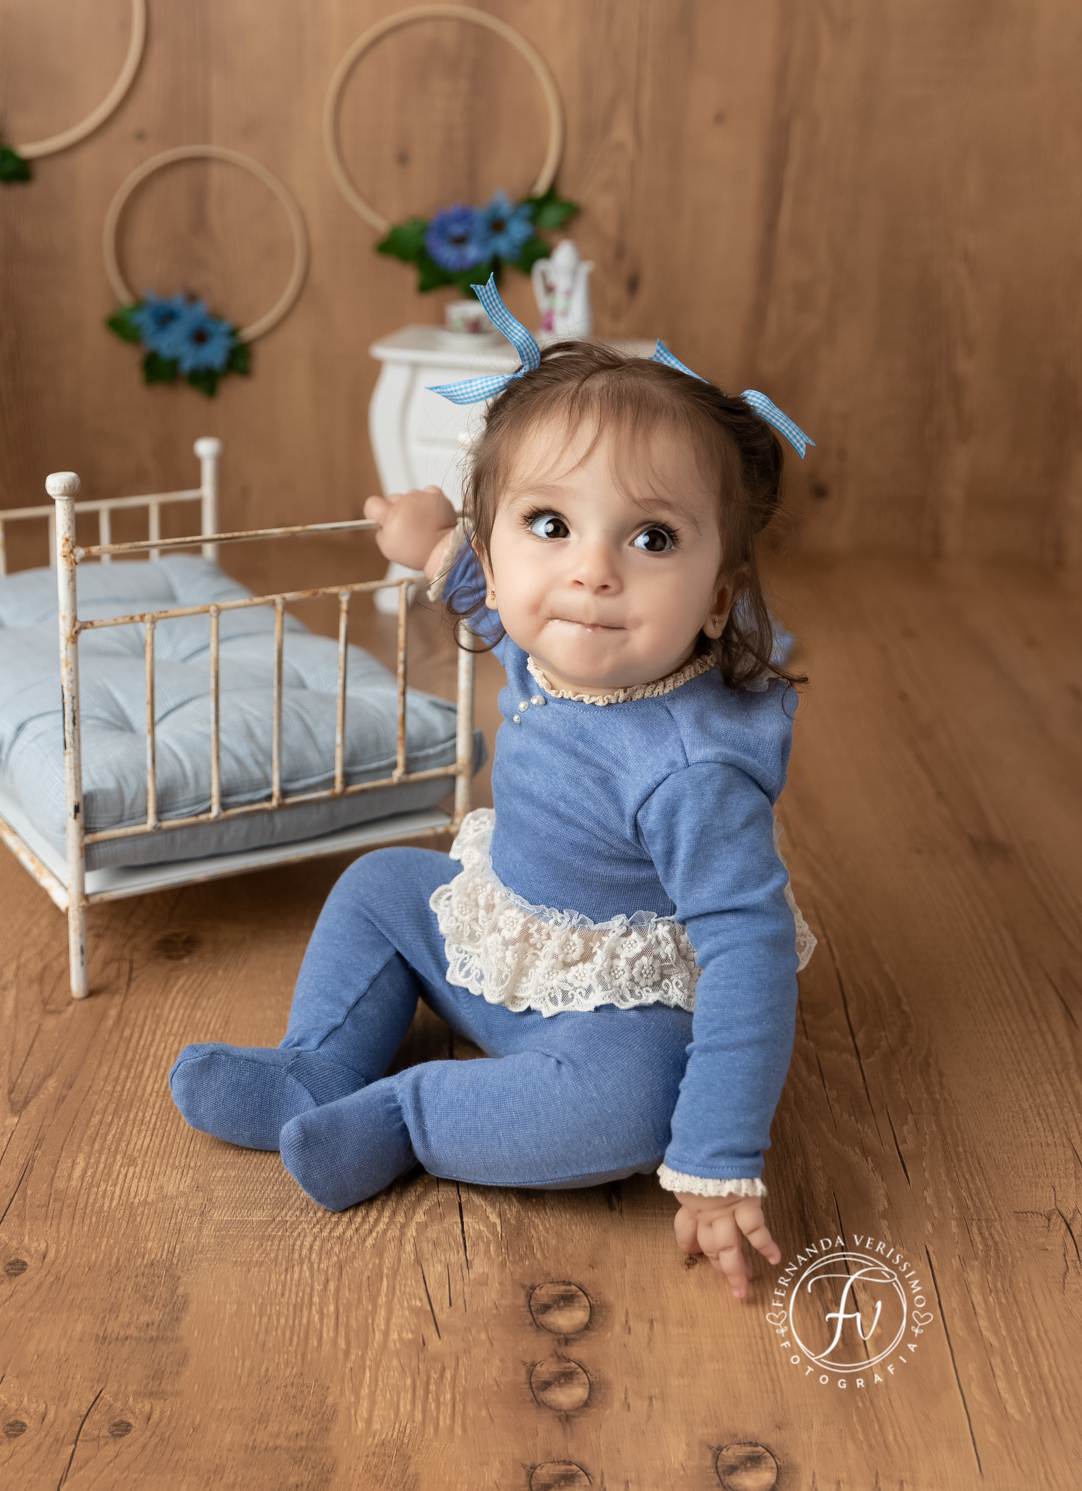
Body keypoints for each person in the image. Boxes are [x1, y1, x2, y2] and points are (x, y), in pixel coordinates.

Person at [169, 277, 818, 1301]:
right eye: (549, 523)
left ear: (716, 599)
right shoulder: (554, 643)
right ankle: (313, 1068)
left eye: (652, 538)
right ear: (495, 542)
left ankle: (405, 1118)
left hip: (616, 1012)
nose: (591, 572)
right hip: (499, 937)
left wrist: (718, 1157)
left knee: (632, 1109)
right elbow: (491, 604)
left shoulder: (693, 772)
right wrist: (427, 542)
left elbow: (751, 955)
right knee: (379, 883)